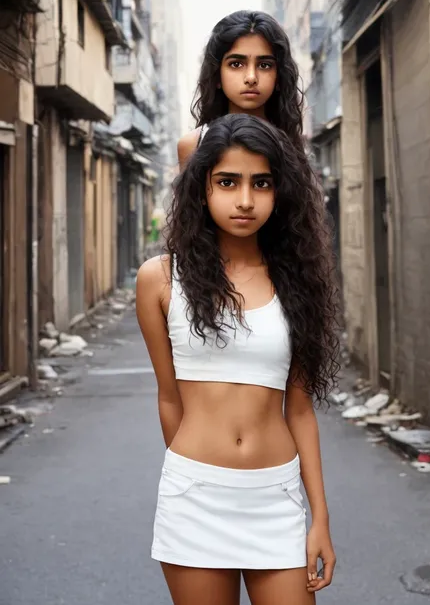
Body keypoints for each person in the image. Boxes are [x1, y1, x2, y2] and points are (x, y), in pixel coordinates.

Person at [136, 114, 339, 605]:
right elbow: (169, 399)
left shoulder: (297, 282)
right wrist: (195, 477)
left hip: (277, 498)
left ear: (279, 192)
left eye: (261, 183)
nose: (245, 199)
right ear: (201, 189)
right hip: (196, 498)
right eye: (227, 182)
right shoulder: (160, 280)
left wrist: (321, 519)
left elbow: (300, 410)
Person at [177, 10, 306, 169]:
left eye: (264, 65)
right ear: (217, 75)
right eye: (236, 64)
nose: (251, 77)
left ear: (278, 77)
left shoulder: (290, 144)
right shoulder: (193, 145)